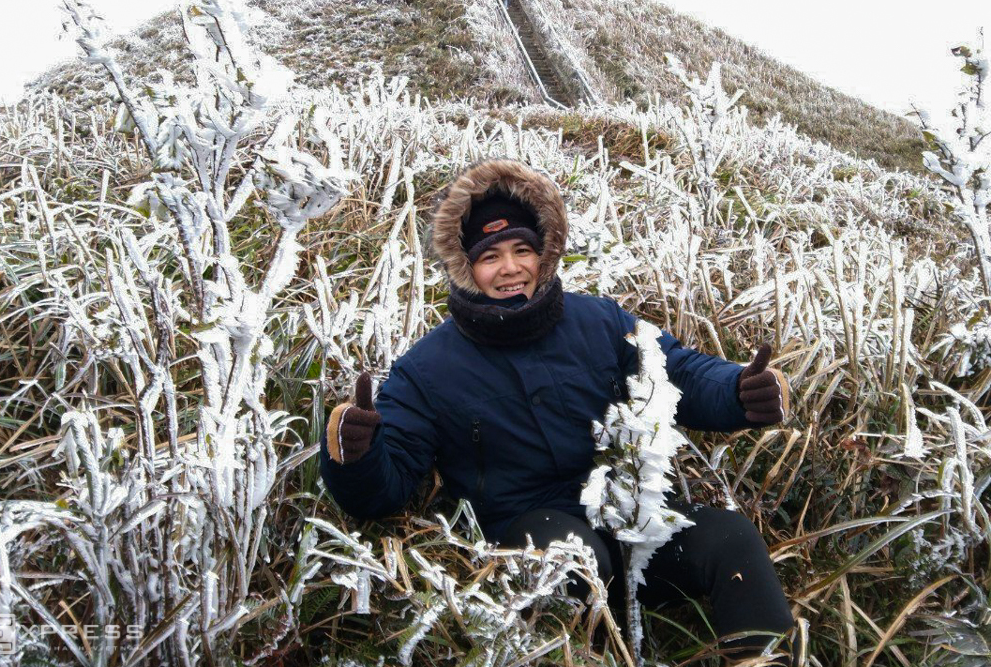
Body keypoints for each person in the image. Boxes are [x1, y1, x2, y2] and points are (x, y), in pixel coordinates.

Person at [321, 159, 796, 658]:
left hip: (630, 516)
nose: (510, 268)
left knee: (732, 540)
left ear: (543, 254)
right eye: (490, 256)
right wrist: (356, 455)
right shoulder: (426, 369)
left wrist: (740, 391)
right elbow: (386, 485)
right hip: (529, 529)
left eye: (522, 249)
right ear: (466, 266)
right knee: (577, 558)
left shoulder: (600, 320)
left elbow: (678, 373)